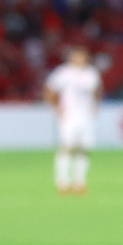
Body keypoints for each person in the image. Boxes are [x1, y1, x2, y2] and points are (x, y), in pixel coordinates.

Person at [44, 46, 101, 195]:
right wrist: (57, 108)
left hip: (86, 116)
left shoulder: (91, 73)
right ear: (72, 58)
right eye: (78, 56)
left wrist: (95, 106)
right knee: (67, 147)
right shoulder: (64, 73)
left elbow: (97, 91)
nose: (81, 59)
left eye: (83, 56)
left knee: (84, 148)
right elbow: (49, 89)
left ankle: (80, 182)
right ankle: (62, 181)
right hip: (70, 116)